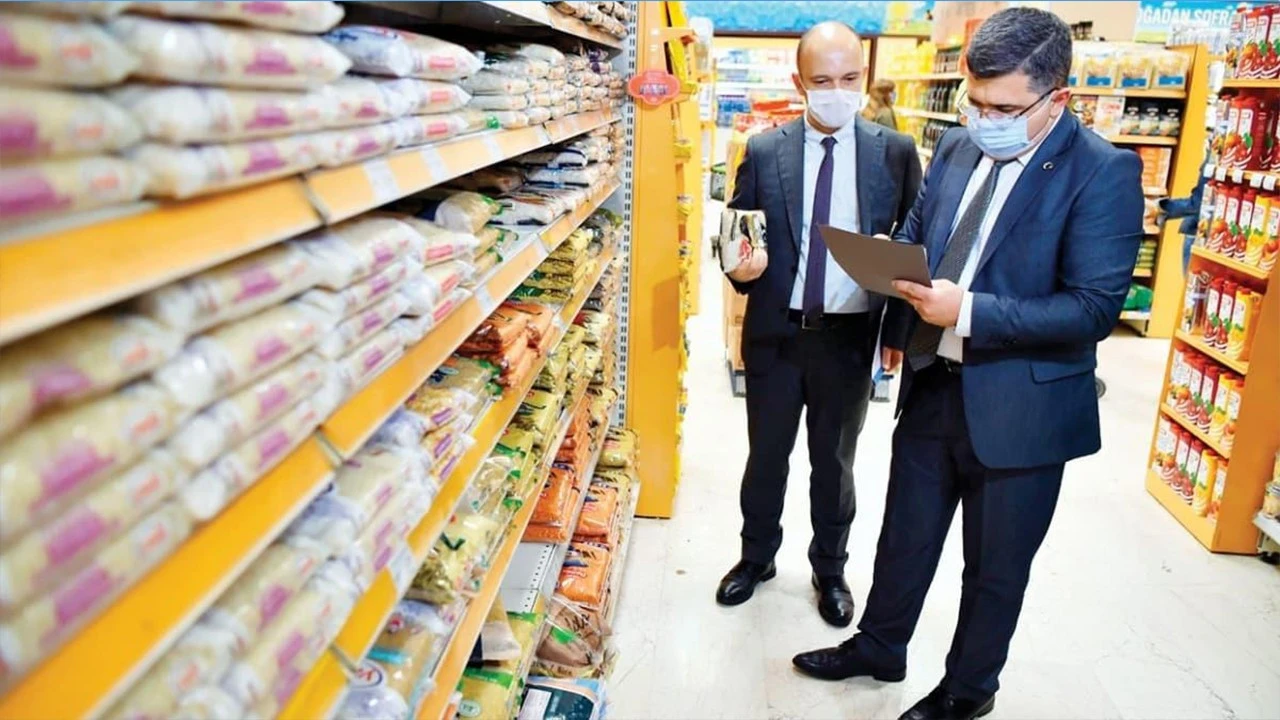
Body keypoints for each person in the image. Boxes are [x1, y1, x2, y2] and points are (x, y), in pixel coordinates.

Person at [791, 8, 1143, 720]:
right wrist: (893, 290)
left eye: (1004, 109)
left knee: (994, 566)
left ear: (1057, 99)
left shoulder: (1102, 172)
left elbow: (1092, 308)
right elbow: (922, 234)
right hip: (934, 382)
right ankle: (880, 647)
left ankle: (968, 690)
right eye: (974, 103)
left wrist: (970, 310)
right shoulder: (957, 146)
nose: (986, 120)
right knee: (904, 536)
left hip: (1021, 407)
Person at [718, 21, 922, 628]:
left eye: (850, 78)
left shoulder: (895, 152)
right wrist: (738, 267)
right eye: (823, 80)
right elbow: (737, 235)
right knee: (766, 457)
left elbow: (915, 244)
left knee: (834, 465)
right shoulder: (764, 151)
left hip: (849, 339)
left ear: (864, 75)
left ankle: (830, 569)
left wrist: (897, 333)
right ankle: (756, 557)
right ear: (799, 82)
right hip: (776, 333)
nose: (838, 92)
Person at [1159, 170, 1207, 272]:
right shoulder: (1212, 162)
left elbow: (1197, 203)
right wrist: (1161, 208)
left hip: (1208, 233)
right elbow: (1198, 203)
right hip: (1198, 232)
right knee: (1193, 279)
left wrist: (1161, 209)